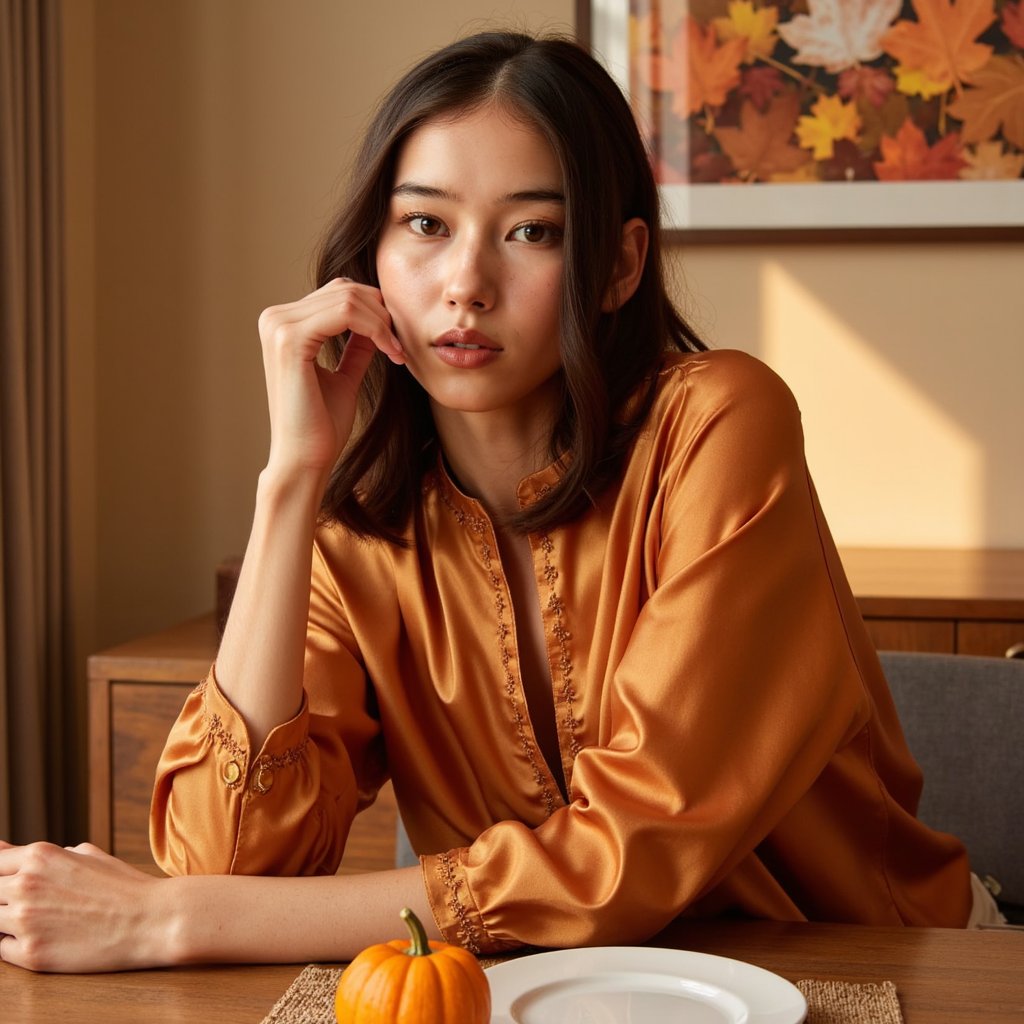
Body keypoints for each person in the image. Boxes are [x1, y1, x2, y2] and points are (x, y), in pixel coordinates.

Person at [0, 30, 982, 975]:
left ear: (616, 265)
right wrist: (291, 477)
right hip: (553, 993)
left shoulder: (719, 427)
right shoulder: (358, 538)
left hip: (882, 970)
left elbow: (626, 858)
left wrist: (170, 922)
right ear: (370, 259)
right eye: (425, 223)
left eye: (531, 231)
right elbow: (227, 858)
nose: (464, 283)